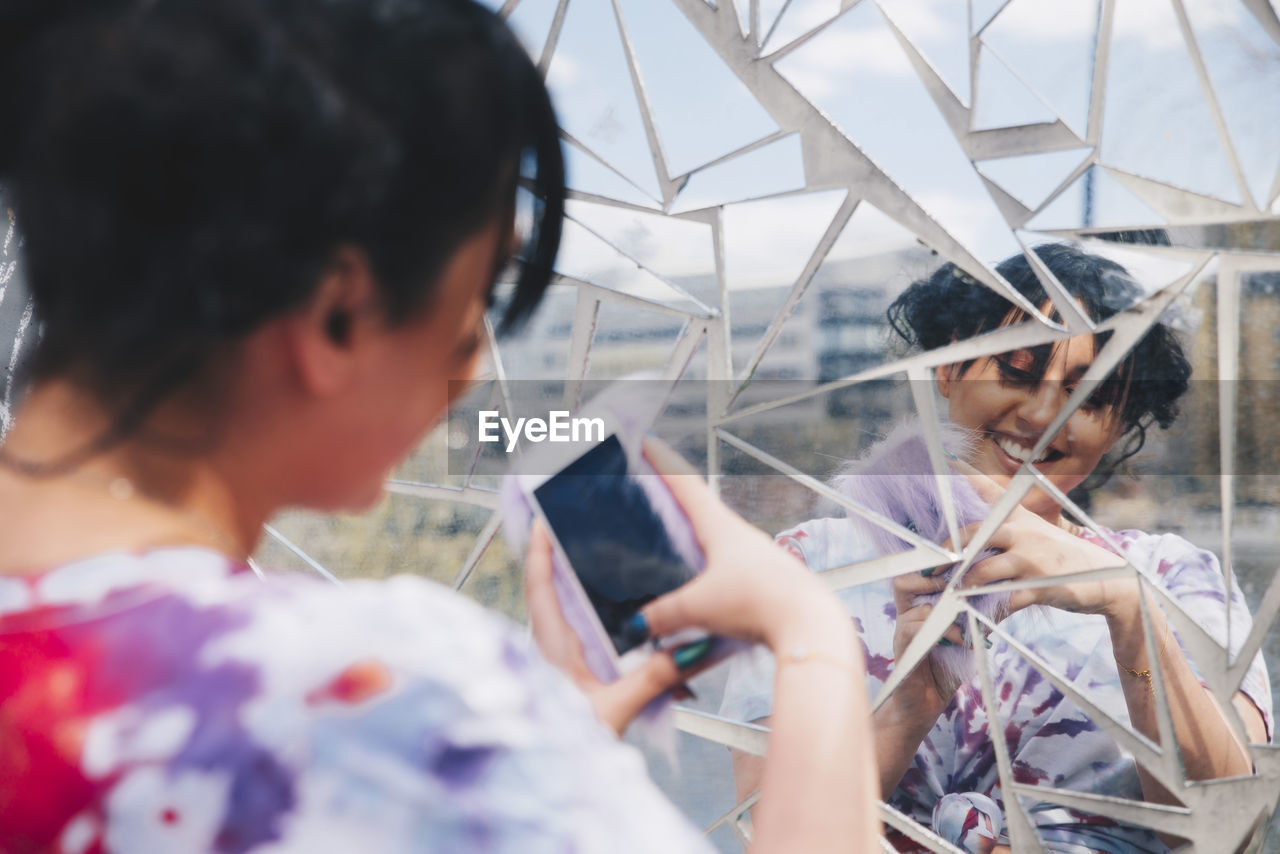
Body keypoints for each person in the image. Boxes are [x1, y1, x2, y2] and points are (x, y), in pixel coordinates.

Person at [0, 1, 880, 851]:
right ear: (338, 314)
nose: (471, 360)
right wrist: (808, 632)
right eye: (482, 296)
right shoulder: (377, 696)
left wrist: (541, 761)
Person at [722, 244, 1273, 853]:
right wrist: (913, 698)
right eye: (1016, 369)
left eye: (1088, 397)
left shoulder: (1176, 578)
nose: (1043, 414)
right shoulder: (808, 570)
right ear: (948, 367)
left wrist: (1134, 621)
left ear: (1118, 425)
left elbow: (1234, 830)